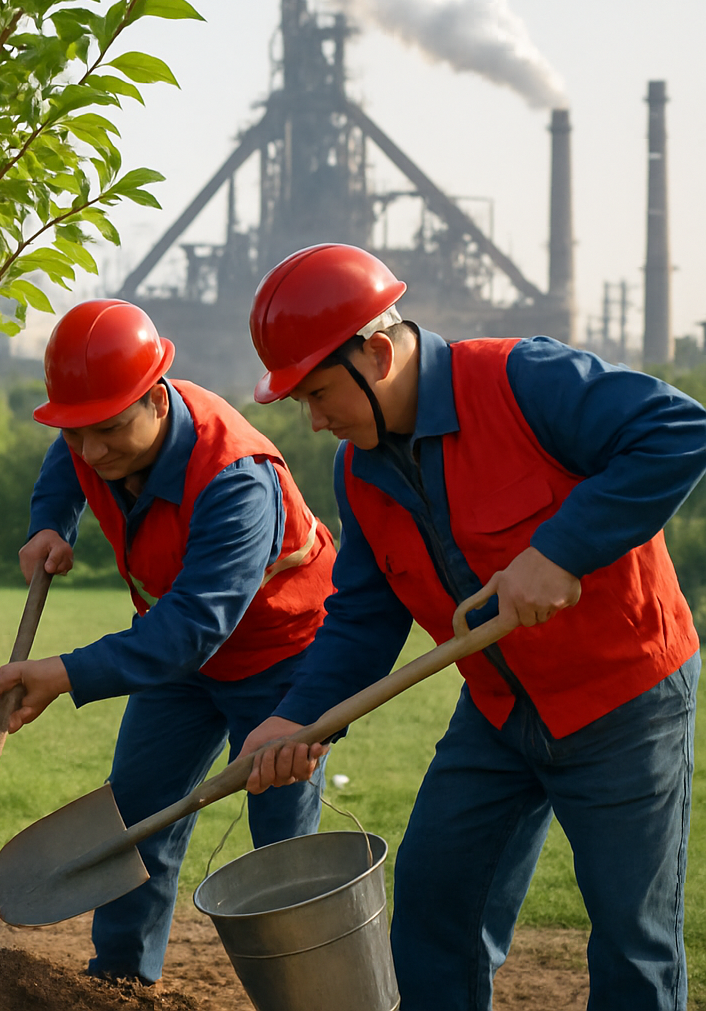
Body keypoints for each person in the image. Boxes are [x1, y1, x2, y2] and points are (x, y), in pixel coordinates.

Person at [238, 242, 706, 1010]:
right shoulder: (359, 471)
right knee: (434, 909)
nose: (315, 421)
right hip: (498, 712)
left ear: (378, 354)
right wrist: (299, 718)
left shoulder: (524, 379)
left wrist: (560, 550)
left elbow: (679, 430)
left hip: (625, 701)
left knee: (632, 939)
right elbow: (363, 615)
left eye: (319, 394)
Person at [0, 298, 337, 985]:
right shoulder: (99, 433)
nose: (92, 452)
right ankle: (119, 987)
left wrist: (64, 672)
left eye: (109, 431)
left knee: (279, 847)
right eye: (76, 432)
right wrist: (50, 521)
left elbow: (194, 628)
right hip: (177, 664)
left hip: (282, 662)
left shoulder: (235, 480)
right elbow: (71, 464)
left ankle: (306, 995)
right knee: (137, 821)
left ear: (156, 397)